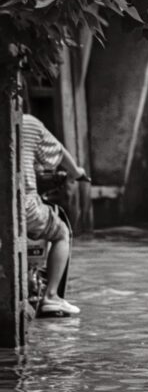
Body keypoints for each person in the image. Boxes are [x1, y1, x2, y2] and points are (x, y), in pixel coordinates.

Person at [21, 113, 89, 316]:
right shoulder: (28, 123)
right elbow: (58, 153)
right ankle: (51, 296)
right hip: (24, 206)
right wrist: (76, 172)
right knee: (61, 232)